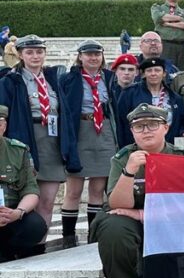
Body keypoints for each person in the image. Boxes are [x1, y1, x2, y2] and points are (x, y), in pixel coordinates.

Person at [89, 104, 184, 278]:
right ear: (132, 131)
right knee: (113, 226)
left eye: (152, 125)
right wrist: (129, 171)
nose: (146, 130)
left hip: (166, 222)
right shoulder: (123, 158)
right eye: (139, 126)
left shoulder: (180, 159)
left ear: (166, 128)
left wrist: (141, 214)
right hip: (128, 220)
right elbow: (117, 203)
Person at [0, 35, 67, 235]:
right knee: (23, 197)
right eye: (29, 52)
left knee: (47, 203)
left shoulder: (53, 79)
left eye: (39, 51)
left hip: (51, 141)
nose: (35, 56)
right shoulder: (11, 81)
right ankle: (17, 246)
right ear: (20, 54)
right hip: (25, 138)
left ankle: (40, 247)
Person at [58, 40, 118, 248]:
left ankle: (94, 234)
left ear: (102, 57)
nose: (93, 58)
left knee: (98, 187)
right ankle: (68, 235)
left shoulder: (110, 78)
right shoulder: (68, 79)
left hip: (104, 130)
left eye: (97, 54)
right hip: (80, 129)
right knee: (73, 189)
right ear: (80, 57)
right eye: (88, 54)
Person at [0, 105, 48, 260]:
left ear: (4, 126)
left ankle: (10, 251)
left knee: (35, 226)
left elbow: (31, 191)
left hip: (10, 212)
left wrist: (18, 213)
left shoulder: (18, 151)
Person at [115, 57, 184, 148]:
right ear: (143, 74)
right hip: (137, 146)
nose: (153, 74)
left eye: (157, 70)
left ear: (164, 73)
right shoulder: (129, 93)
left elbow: (180, 123)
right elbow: (121, 122)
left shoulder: (175, 98)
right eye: (149, 71)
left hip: (167, 147)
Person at [150, 0, 184, 70]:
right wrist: (179, 19)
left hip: (182, 46)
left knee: (183, 73)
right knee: (166, 72)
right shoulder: (157, 8)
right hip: (166, 45)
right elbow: (158, 18)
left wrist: (168, 23)